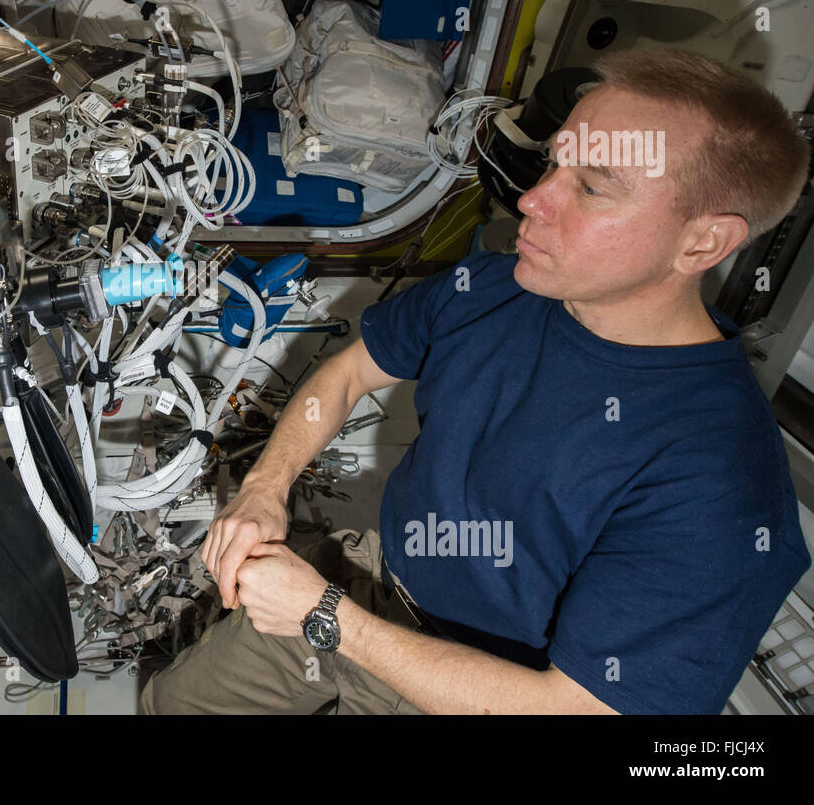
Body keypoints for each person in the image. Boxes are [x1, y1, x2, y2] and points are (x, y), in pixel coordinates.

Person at [139, 48, 813, 714]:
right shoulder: (494, 285)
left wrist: (328, 615)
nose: (532, 199)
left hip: (480, 687)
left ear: (702, 243)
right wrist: (264, 488)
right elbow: (348, 373)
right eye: (556, 161)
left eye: (593, 186)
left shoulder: (723, 483)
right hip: (369, 585)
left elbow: (577, 709)